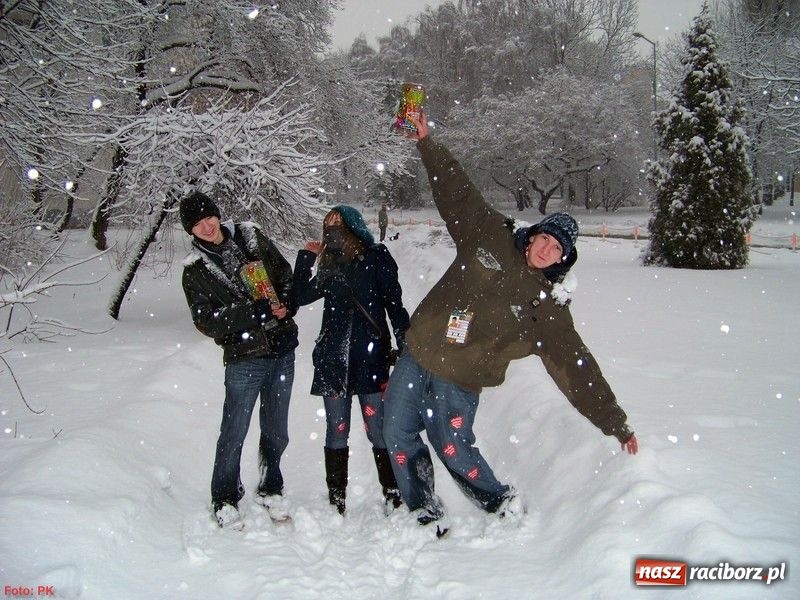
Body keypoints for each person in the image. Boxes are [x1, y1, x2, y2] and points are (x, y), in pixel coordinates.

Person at [383, 113, 638, 534]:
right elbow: (458, 192)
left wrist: (615, 421)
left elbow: (575, 365)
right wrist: (427, 143)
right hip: (419, 350)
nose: (546, 249)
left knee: (453, 447)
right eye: (545, 238)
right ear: (534, 234)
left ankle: (500, 501)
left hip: (461, 377)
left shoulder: (547, 307)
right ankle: (423, 507)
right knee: (396, 432)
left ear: (563, 259)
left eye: (557, 249)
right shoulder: (489, 235)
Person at [180, 191, 299, 529]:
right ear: (190, 231)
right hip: (243, 357)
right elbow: (207, 321)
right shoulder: (195, 270)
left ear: (217, 215)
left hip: (281, 349)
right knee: (233, 431)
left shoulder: (250, 236)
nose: (206, 226)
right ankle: (225, 498)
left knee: (276, 429)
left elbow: (283, 273)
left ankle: (271, 486)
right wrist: (253, 312)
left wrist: (286, 304)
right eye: (197, 224)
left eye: (209, 217)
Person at [294, 205, 410, 515]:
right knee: (337, 429)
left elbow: (394, 305)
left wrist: (406, 344)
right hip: (333, 362)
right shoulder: (330, 263)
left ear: (354, 227)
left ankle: (392, 490)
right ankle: (337, 496)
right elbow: (300, 296)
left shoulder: (376, 257)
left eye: (339, 225)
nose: (332, 232)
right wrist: (306, 257)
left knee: (378, 429)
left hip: (370, 360)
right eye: (328, 226)